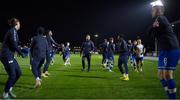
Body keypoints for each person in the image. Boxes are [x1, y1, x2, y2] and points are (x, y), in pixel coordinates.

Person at [149, 5, 180, 99]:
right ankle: (169, 96)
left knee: (167, 75)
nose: (151, 12)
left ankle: (173, 98)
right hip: (164, 50)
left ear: (158, 10)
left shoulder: (161, 18)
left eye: (152, 10)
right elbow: (150, 33)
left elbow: (150, 32)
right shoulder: (157, 20)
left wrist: (152, 28)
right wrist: (152, 28)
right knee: (160, 75)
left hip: (170, 48)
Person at [0, 18, 25, 99]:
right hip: (6, 56)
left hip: (10, 56)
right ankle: (5, 94)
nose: (20, 25)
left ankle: (9, 89)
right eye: (19, 23)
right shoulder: (13, 31)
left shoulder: (14, 32)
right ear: (16, 24)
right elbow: (14, 45)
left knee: (19, 73)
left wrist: (19, 50)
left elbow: (14, 45)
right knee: (13, 75)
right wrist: (21, 53)